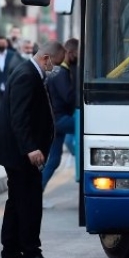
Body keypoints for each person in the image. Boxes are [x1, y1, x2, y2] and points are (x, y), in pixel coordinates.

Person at [0, 40, 66, 258]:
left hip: (20, 152)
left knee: (17, 202)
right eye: (56, 64)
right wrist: (30, 148)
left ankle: (11, 252)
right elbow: (19, 116)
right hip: (21, 154)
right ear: (45, 58)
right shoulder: (26, 75)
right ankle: (31, 252)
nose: (56, 68)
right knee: (29, 202)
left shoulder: (30, 73)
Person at [41, 38, 78, 191]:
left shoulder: (59, 71)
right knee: (85, 127)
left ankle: (37, 191)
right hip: (60, 119)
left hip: (55, 121)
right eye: (77, 54)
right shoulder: (61, 73)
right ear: (69, 53)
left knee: (54, 160)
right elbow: (68, 97)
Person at [0, 35, 21, 126]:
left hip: (9, 88)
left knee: (9, 111)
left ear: (6, 43)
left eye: (3, 43)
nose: (1, 45)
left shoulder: (12, 55)